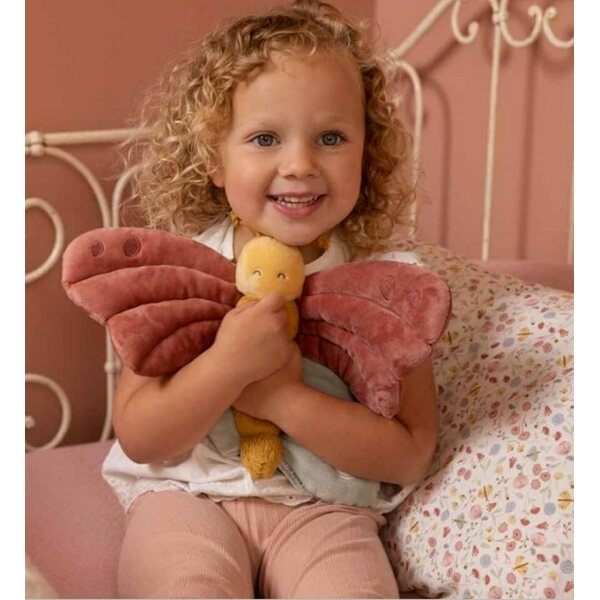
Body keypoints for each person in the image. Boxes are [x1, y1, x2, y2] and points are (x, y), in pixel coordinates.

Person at [104, 1, 439, 597]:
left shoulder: (390, 289)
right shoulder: (182, 273)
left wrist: (283, 398)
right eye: (264, 138)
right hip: (187, 494)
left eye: (331, 137)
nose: (300, 164)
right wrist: (228, 366)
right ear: (214, 157)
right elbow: (140, 436)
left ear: (367, 151)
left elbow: (410, 453)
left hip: (325, 507)